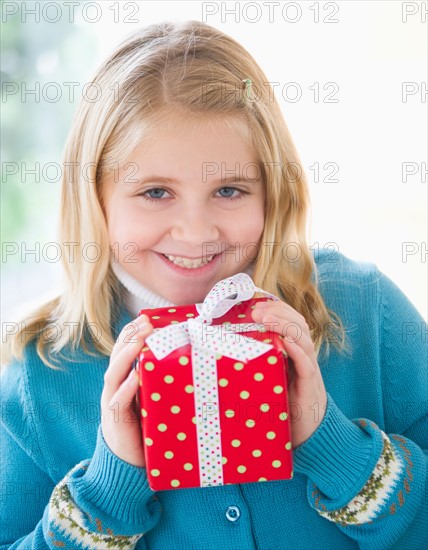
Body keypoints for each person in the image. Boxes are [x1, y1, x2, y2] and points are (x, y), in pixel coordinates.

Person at [1, 20, 426, 549]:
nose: (196, 233)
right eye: (156, 192)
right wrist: (107, 497)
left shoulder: (366, 312)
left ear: (275, 192)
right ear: (95, 200)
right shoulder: (39, 377)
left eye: (229, 189)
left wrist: (338, 451)